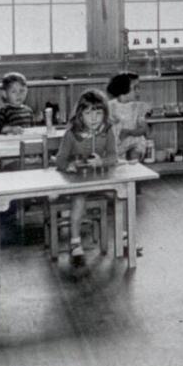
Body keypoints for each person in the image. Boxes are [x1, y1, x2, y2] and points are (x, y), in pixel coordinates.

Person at [55, 89, 118, 266]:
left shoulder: (107, 131)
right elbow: (59, 160)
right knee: (79, 201)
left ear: (105, 114)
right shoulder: (71, 134)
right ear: (80, 114)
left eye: (98, 113)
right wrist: (68, 165)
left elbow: (114, 157)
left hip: (100, 181)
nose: (94, 118)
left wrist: (102, 161)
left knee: (120, 195)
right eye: (88, 113)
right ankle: (75, 242)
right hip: (79, 183)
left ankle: (125, 235)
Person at [106, 71, 149, 161]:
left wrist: (129, 132)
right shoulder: (109, 107)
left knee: (133, 155)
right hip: (115, 144)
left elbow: (143, 129)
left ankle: (134, 168)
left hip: (133, 142)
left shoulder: (138, 107)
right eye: (135, 88)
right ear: (124, 89)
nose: (138, 91)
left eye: (139, 87)